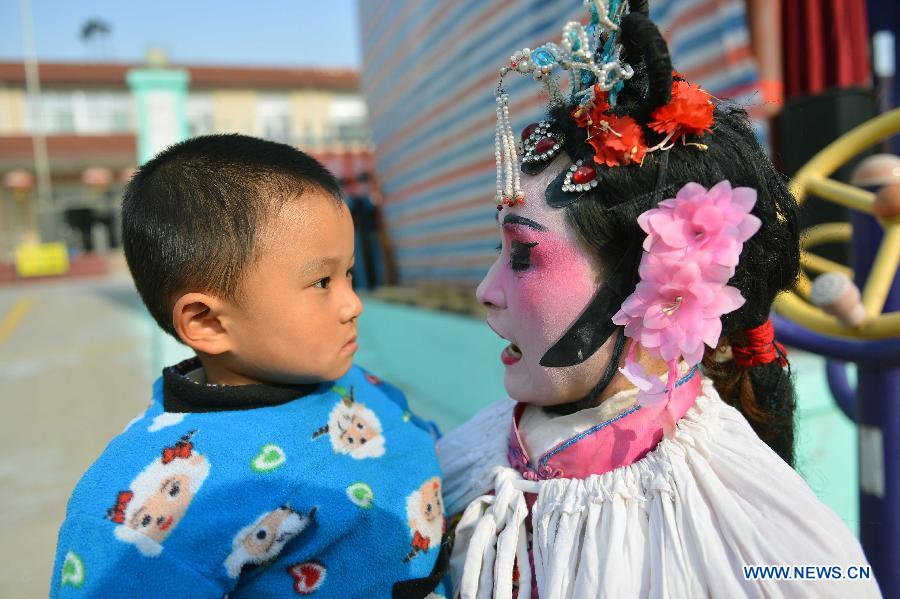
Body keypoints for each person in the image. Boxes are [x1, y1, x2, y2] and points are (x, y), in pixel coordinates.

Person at [438, 1, 879, 597]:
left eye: (522, 254)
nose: (486, 292)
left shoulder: (760, 522)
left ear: (654, 282)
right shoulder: (480, 450)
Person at [50, 135, 449, 598]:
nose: (353, 304)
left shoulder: (356, 383)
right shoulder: (144, 508)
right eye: (322, 281)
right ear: (207, 322)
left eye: (349, 274)